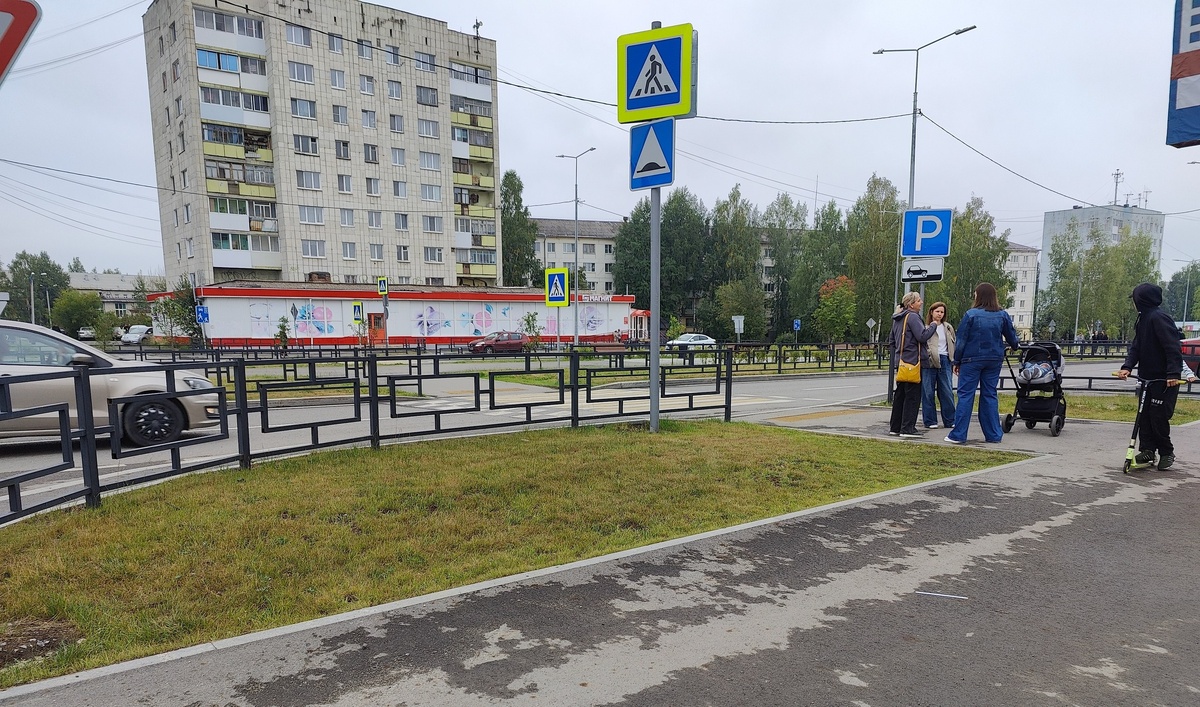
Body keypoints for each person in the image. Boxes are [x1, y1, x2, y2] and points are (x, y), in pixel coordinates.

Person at [1117, 283, 1183, 470]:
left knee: (1158, 416)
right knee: (1144, 415)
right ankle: (1147, 450)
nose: (1133, 304)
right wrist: (1127, 367)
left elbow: (1172, 347)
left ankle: (1166, 452)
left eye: (1134, 299)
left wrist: (1173, 373)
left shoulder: (1159, 318)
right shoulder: (1142, 319)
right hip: (1147, 379)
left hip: (1164, 380)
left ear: (1141, 300)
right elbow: (1137, 347)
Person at [945, 283, 1020, 444]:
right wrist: (1015, 346)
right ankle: (993, 435)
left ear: (979, 296)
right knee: (990, 395)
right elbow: (1012, 337)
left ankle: (958, 434)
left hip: (971, 359)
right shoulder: (1002, 315)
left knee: (966, 395)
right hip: (994, 359)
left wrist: (956, 361)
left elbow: (961, 340)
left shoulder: (971, 314)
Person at [888, 291, 936, 438]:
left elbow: (891, 340)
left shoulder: (898, 318)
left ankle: (895, 427)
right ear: (911, 304)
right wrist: (933, 326)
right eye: (919, 300)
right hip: (913, 362)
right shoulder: (913, 317)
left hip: (901, 361)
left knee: (900, 395)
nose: (921, 302)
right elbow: (922, 336)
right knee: (912, 396)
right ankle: (908, 428)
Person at [921, 301, 956, 429]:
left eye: (942, 312)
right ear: (931, 312)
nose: (939, 314)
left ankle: (950, 420)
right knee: (928, 392)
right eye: (937, 311)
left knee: (946, 391)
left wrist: (954, 360)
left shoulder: (948, 327)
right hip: (930, 361)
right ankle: (930, 421)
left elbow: (953, 343)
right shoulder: (926, 327)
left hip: (945, 360)